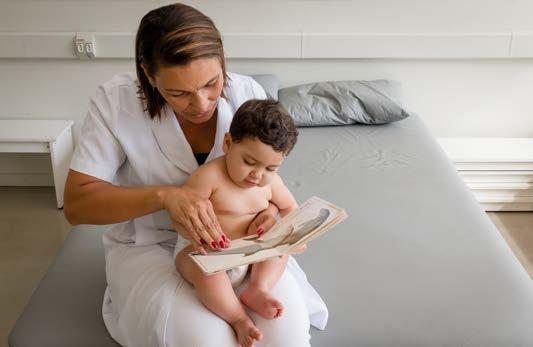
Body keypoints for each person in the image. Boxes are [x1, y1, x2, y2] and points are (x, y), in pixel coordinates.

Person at [64, 3, 327, 346]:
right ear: (148, 74)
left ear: (222, 61)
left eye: (211, 83)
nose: (201, 104)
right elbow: (76, 205)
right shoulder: (115, 103)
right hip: (154, 245)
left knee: (285, 336)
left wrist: (268, 214)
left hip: (244, 245)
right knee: (207, 340)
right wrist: (165, 197)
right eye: (178, 93)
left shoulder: (247, 94)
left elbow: (271, 189)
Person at [175, 99, 299, 347]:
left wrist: (290, 232)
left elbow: (290, 208)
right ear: (228, 143)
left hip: (248, 254)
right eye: (249, 162)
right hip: (207, 252)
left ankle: (258, 288)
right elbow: (180, 217)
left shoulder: (270, 183)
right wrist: (198, 238)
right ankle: (238, 319)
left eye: (270, 168)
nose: (257, 174)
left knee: (278, 250)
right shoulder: (208, 178)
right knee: (205, 270)